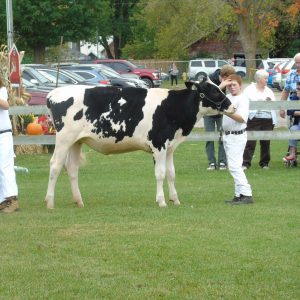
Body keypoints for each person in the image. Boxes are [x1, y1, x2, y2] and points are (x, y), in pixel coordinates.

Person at [222, 74, 253, 205]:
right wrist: (221, 85)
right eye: (229, 85)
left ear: (240, 85)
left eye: (234, 85)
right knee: (235, 165)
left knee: (234, 166)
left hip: (237, 135)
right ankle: (238, 194)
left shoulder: (243, 99)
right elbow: (213, 96)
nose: (232, 87)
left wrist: (226, 112)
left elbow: (242, 118)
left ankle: (246, 194)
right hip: (227, 135)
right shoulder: (227, 98)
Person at [242, 69, 277, 170]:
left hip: (268, 119)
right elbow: (244, 104)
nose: (267, 80)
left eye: (267, 78)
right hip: (253, 118)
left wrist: (270, 102)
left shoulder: (269, 90)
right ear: (258, 79)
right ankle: (245, 163)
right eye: (265, 78)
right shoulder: (249, 90)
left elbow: (275, 105)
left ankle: (264, 163)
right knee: (250, 141)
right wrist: (259, 102)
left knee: (266, 142)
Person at [204, 64, 236, 170]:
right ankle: (211, 162)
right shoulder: (209, 79)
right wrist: (221, 86)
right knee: (209, 138)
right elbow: (207, 96)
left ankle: (223, 162)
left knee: (223, 137)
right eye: (230, 78)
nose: (231, 80)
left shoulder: (229, 81)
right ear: (224, 77)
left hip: (222, 112)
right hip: (208, 112)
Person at [0, 77, 19, 213]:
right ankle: (2, 200)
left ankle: (12, 200)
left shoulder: (1, 90)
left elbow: (6, 105)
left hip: (3, 134)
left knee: (5, 166)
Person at [283, 82, 300, 162]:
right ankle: (292, 154)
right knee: (293, 129)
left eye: (299, 89)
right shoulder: (294, 97)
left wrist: (296, 112)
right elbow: (289, 111)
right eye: (297, 89)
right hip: (298, 126)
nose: (297, 91)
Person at [279, 53, 300, 119]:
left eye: (299, 62)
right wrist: (282, 108)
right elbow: (285, 91)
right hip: (293, 107)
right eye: (296, 63)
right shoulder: (292, 74)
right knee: (293, 128)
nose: (298, 65)